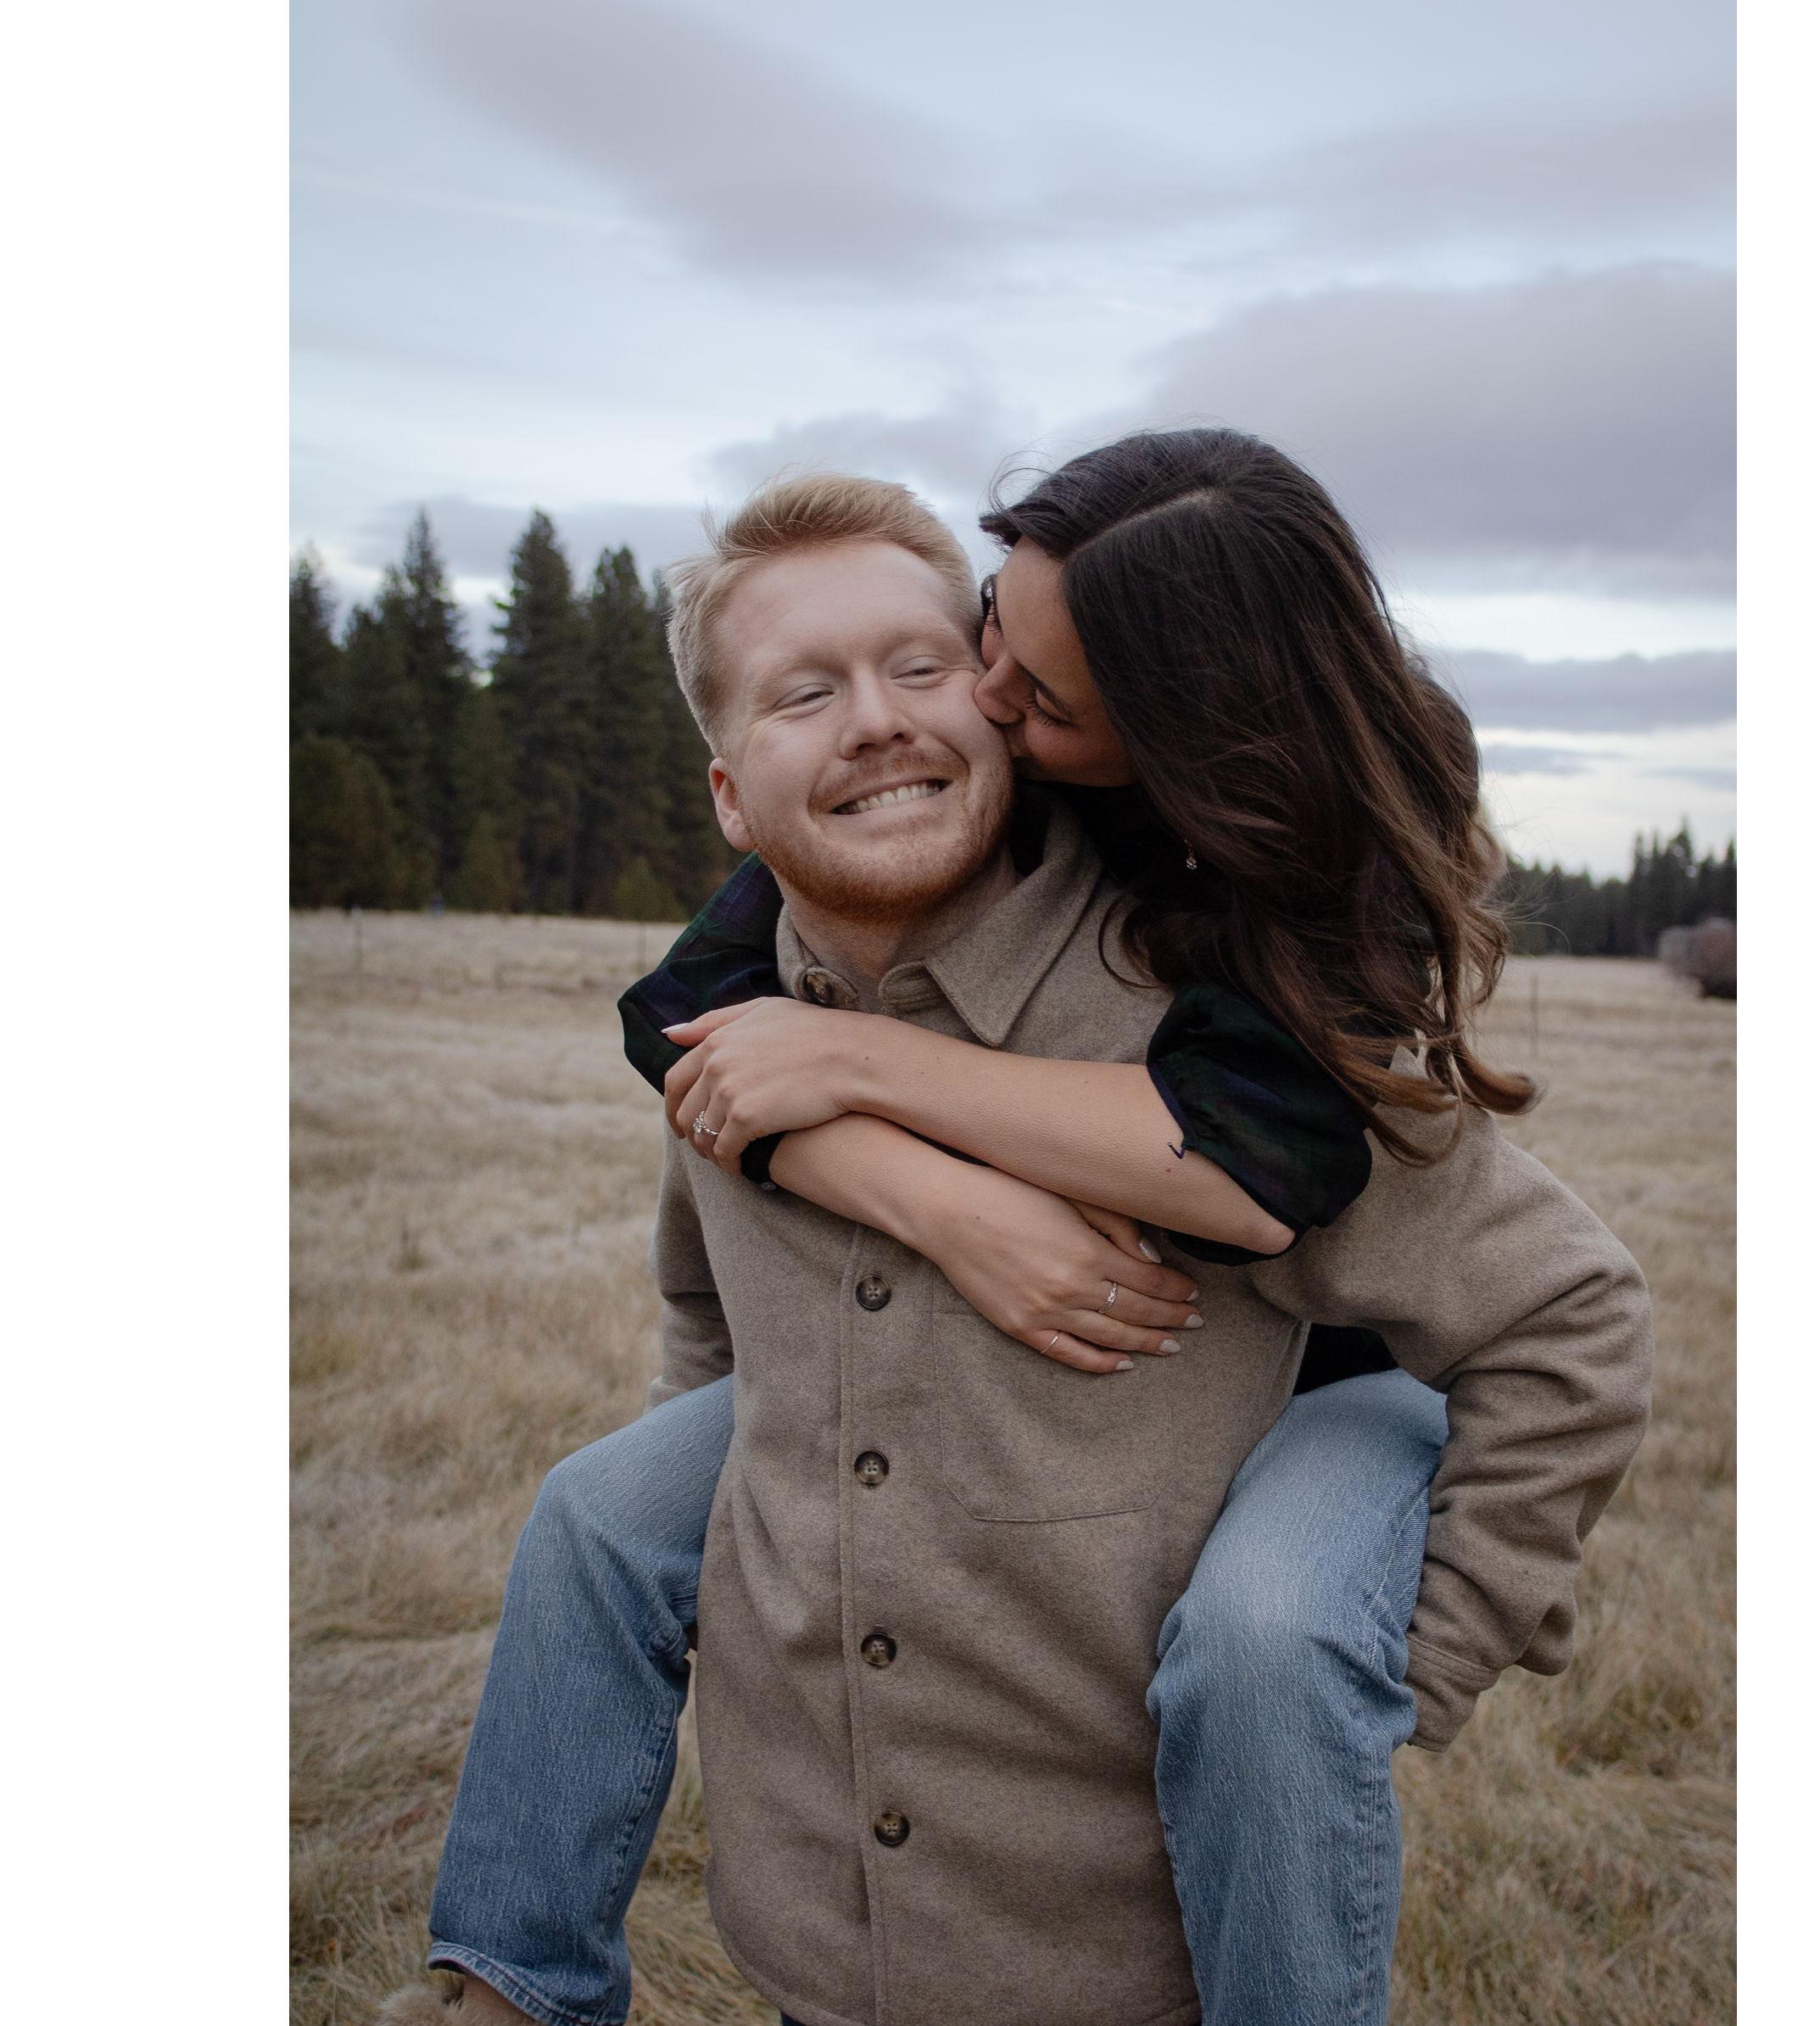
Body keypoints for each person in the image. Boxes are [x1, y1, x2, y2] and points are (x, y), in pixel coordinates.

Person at [385, 449, 1651, 2026]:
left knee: (1267, 1631)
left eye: (939, 671)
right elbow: (711, 1305)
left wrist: (1405, 1669)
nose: (891, 715)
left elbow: (1532, 1296)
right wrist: (914, 1199)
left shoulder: (1218, 977)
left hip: (1286, 1522)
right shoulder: (746, 1020)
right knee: (600, 1509)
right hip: (825, 1957)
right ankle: (504, 1987)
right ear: (725, 794)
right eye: (806, 693)